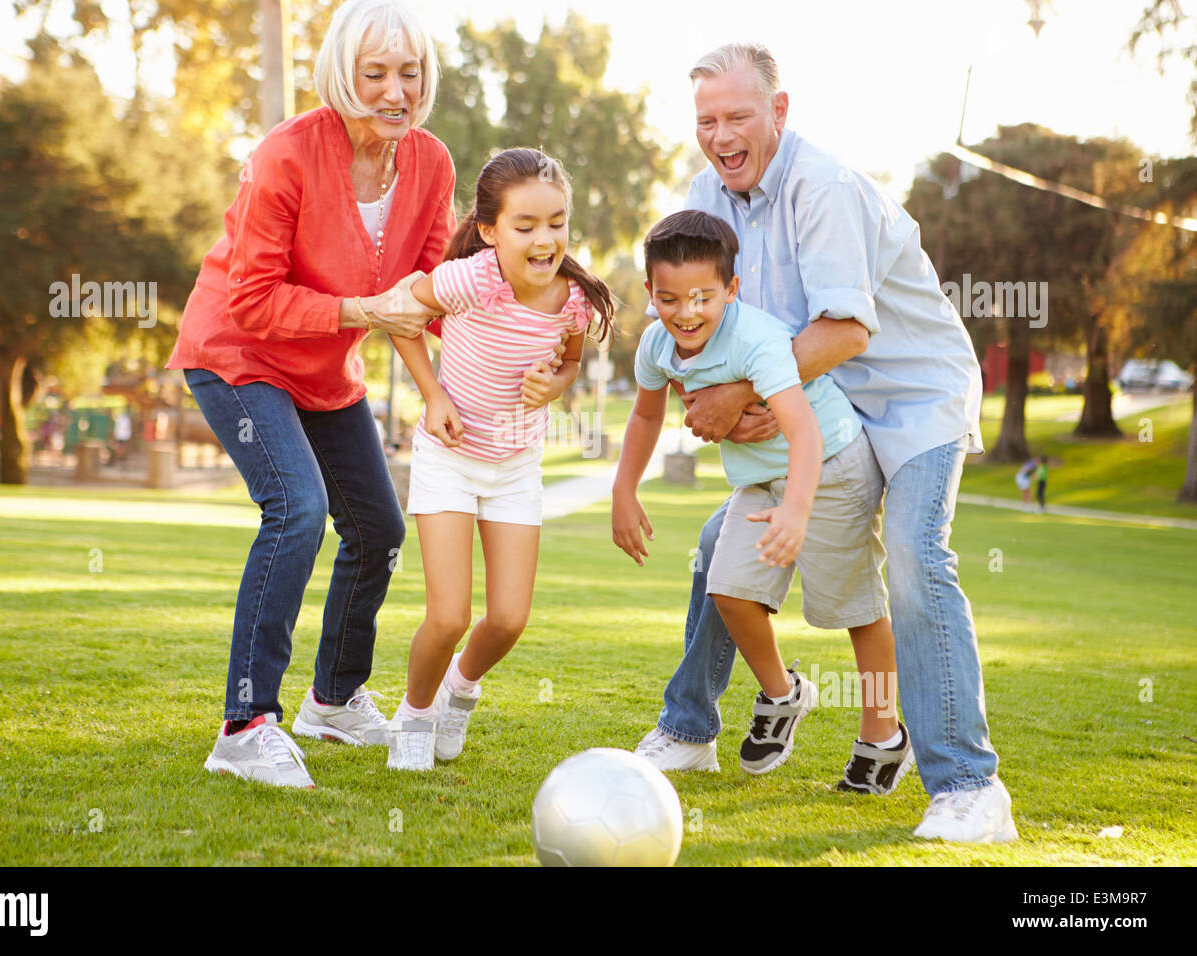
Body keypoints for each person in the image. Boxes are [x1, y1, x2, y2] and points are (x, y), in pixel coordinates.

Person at [634, 43, 1016, 842]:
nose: (721, 134)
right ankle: (690, 730)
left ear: (778, 111)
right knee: (717, 546)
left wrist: (743, 391)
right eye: (707, 120)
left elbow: (844, 327)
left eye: (738, 115)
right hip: (821, 403)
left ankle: (970, 787)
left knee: (916, 557)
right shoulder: (710, 191)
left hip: (912, 400)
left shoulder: (825, 187)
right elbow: (706, 313)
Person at [166, 0, 455, 788]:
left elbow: (426, 293)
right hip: (238, 354)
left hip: (326, 371)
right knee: (297, 509)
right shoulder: (285, 156)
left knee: (379, 528)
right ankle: (245, 723)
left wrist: (499, 355)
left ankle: (333, 699)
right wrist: (365, 310)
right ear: (342, 76)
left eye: (410, 73)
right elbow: (253, 299)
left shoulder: (430, 163)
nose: (396, 91)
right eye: (376, 75)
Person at [613, 211, 911, 793]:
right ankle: (784, 694)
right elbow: (646, 413)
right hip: (758, 482)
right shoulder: (656, 345)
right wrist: (624, 489)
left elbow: (806, 433)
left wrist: (798, 509)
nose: (686, 312)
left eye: (703, 296)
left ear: (731, 289)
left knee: (857, 612)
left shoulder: (756, 340)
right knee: (727, 589)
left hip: (830, 472)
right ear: (650, 294)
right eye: (670, 298)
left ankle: (883, 735)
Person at [383, 148, 614, 770]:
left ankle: (461, 688)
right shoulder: (472, 279)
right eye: (526, 225)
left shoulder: (573, 300)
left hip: (515, 465)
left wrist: (558, 386)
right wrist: (430, 396)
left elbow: (569, 359)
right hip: (450, 458)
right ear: (489, 231)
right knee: (449, 613)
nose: (546, 239)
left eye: (557, 222)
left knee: (509, 618)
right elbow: (402, 315)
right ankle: (415, 711)